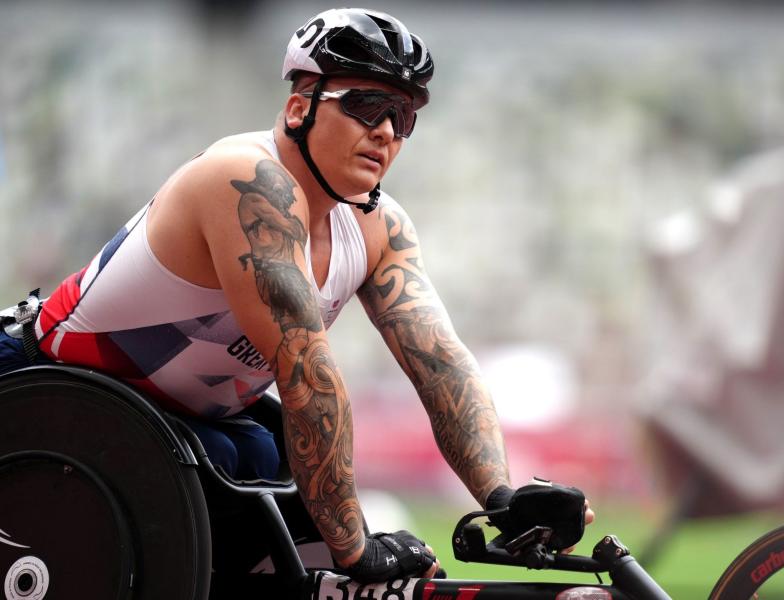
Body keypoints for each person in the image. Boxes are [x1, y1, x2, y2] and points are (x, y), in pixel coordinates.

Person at [0, 8, 592, 583]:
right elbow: (309, 373)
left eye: (402, 117)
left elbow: (443, 368)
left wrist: (503, 500)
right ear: (298, 107)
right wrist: (356, 551)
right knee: (343, 549)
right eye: (366, 106)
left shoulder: (381, 228)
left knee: (348, 541)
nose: (385, 131)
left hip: (184, 433)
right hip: (48, 395)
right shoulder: (244, 181)